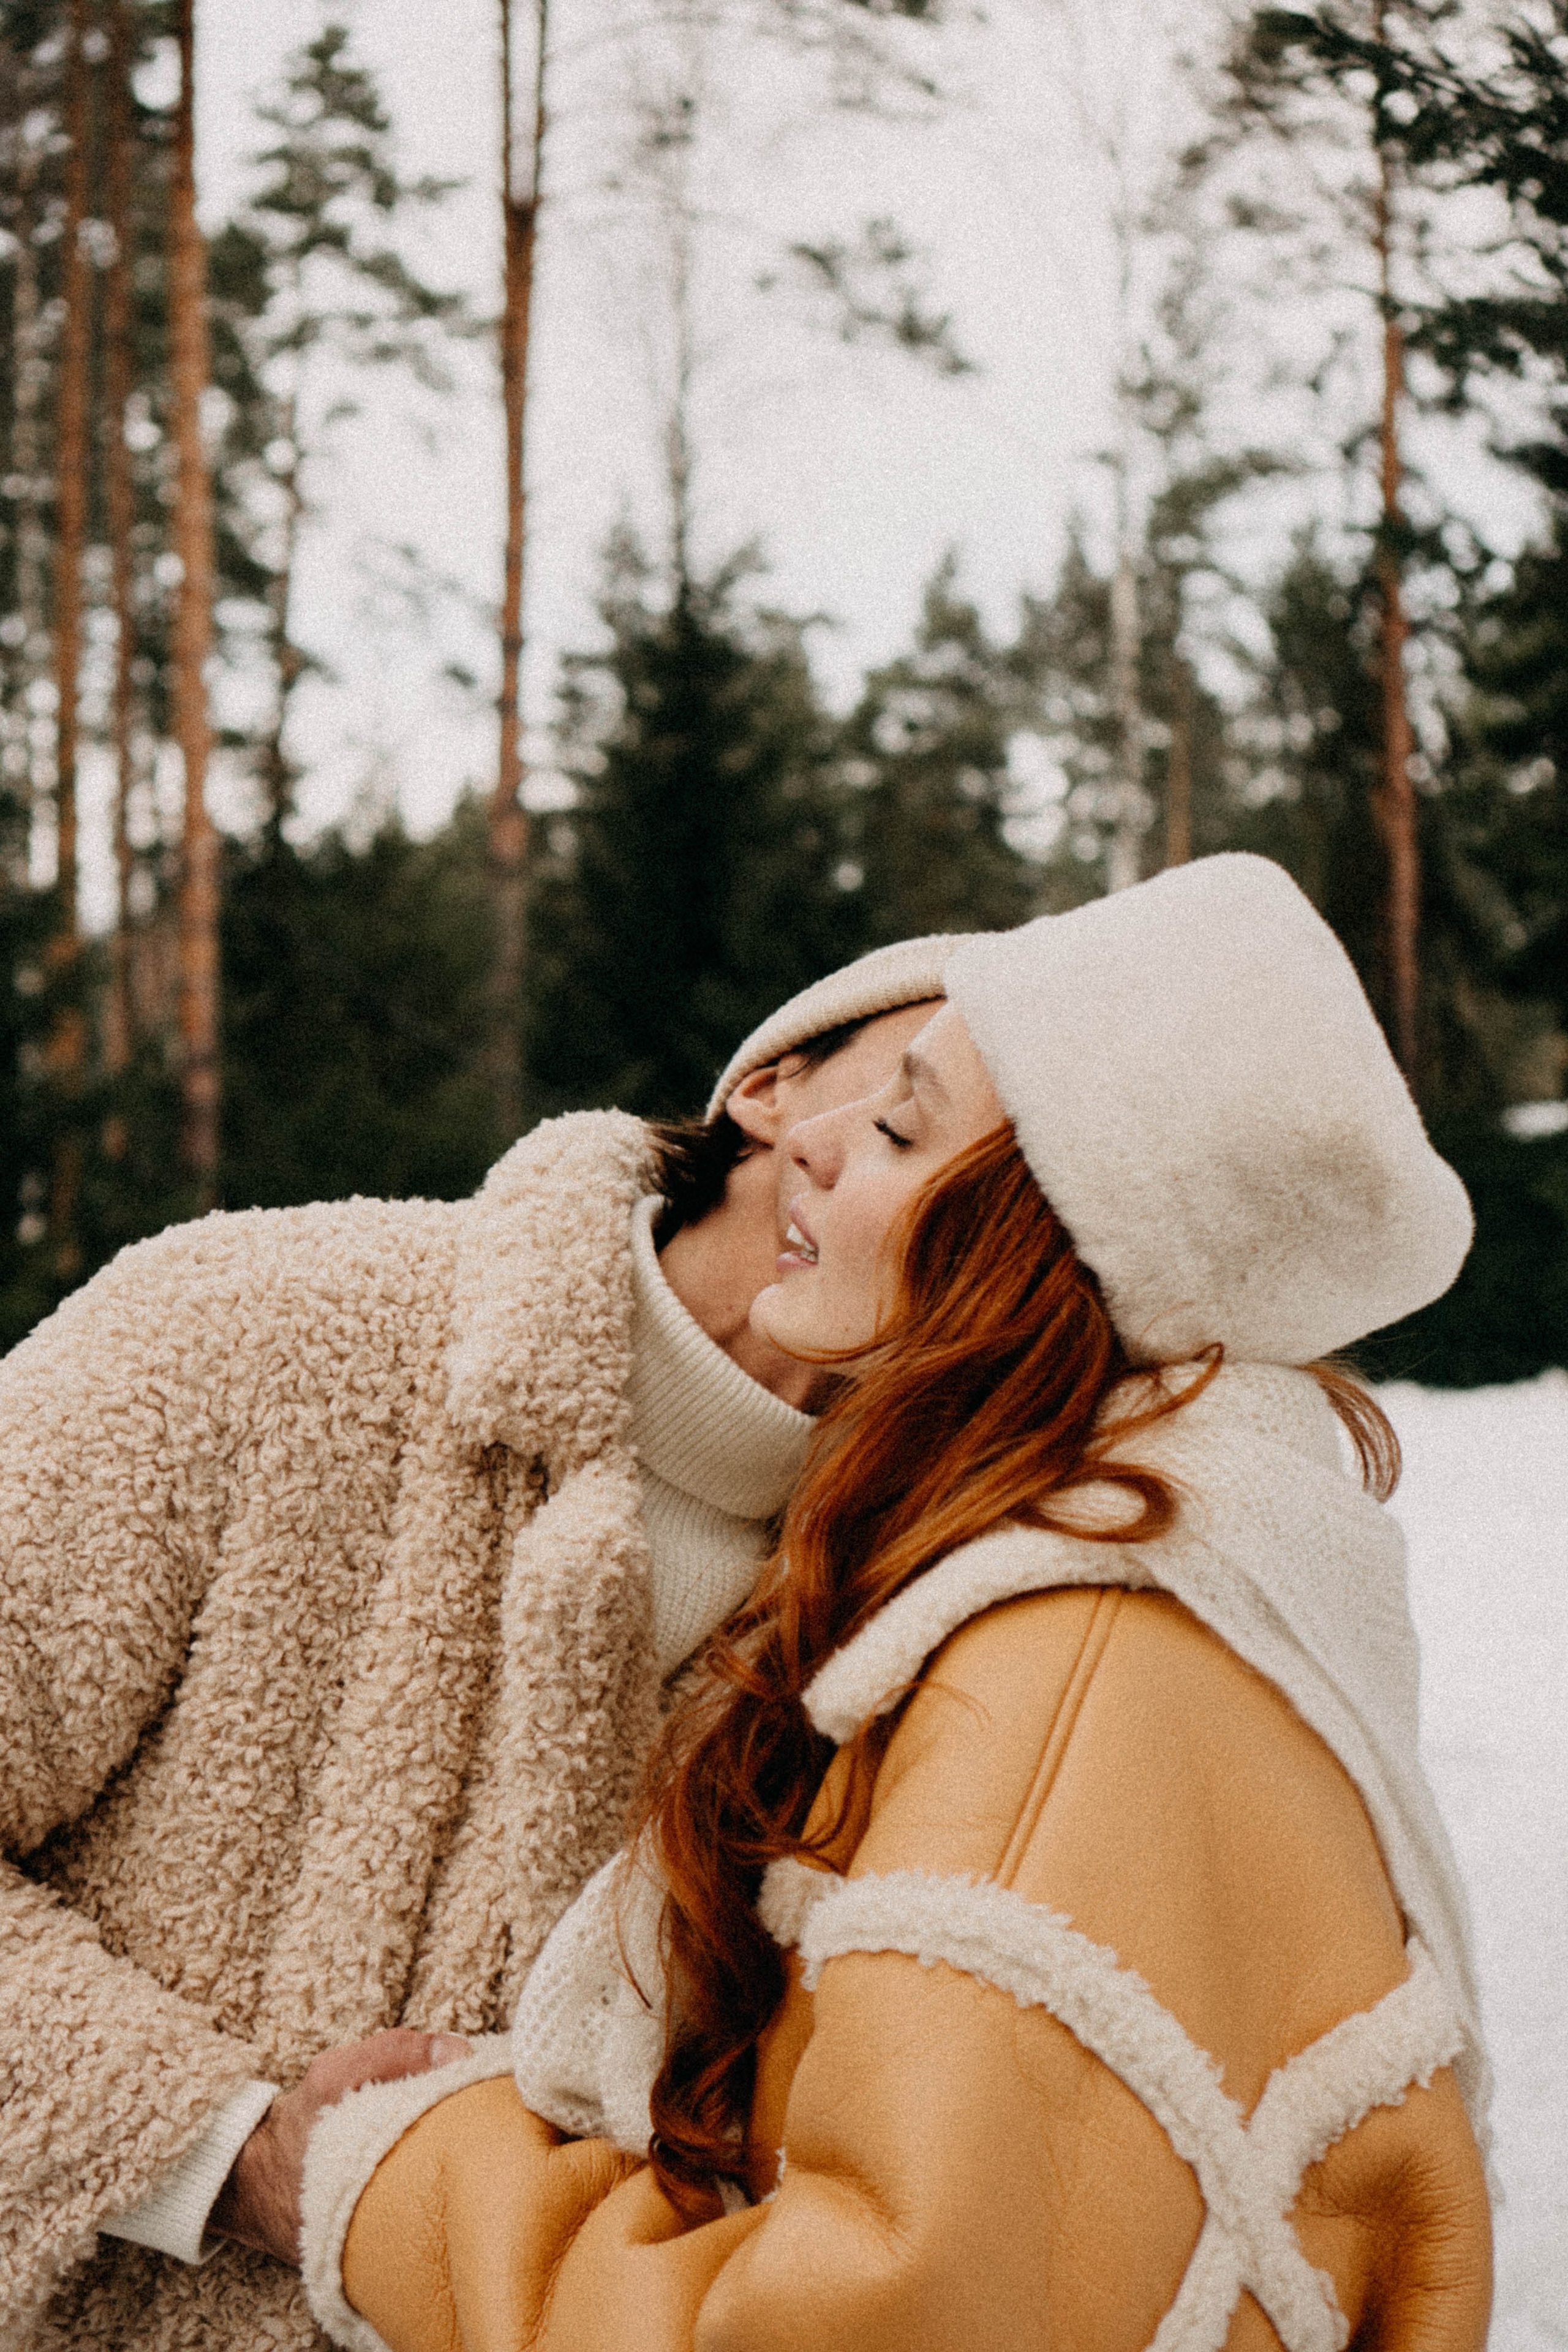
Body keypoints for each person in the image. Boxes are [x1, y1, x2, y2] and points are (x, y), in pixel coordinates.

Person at [298, 854, 1493, 2352]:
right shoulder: (1135, 1576)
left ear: (1043, 1251)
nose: (812, 1146)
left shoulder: (1075, 1670)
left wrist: (384, 2177)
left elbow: (884, 2319)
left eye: (900, 1125)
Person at [0, 932, 969, 2352]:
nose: (935, 1189)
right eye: (906, 1103)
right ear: (770, 1087)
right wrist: (226, 2155)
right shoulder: (251, 1332)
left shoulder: (933, 1617)